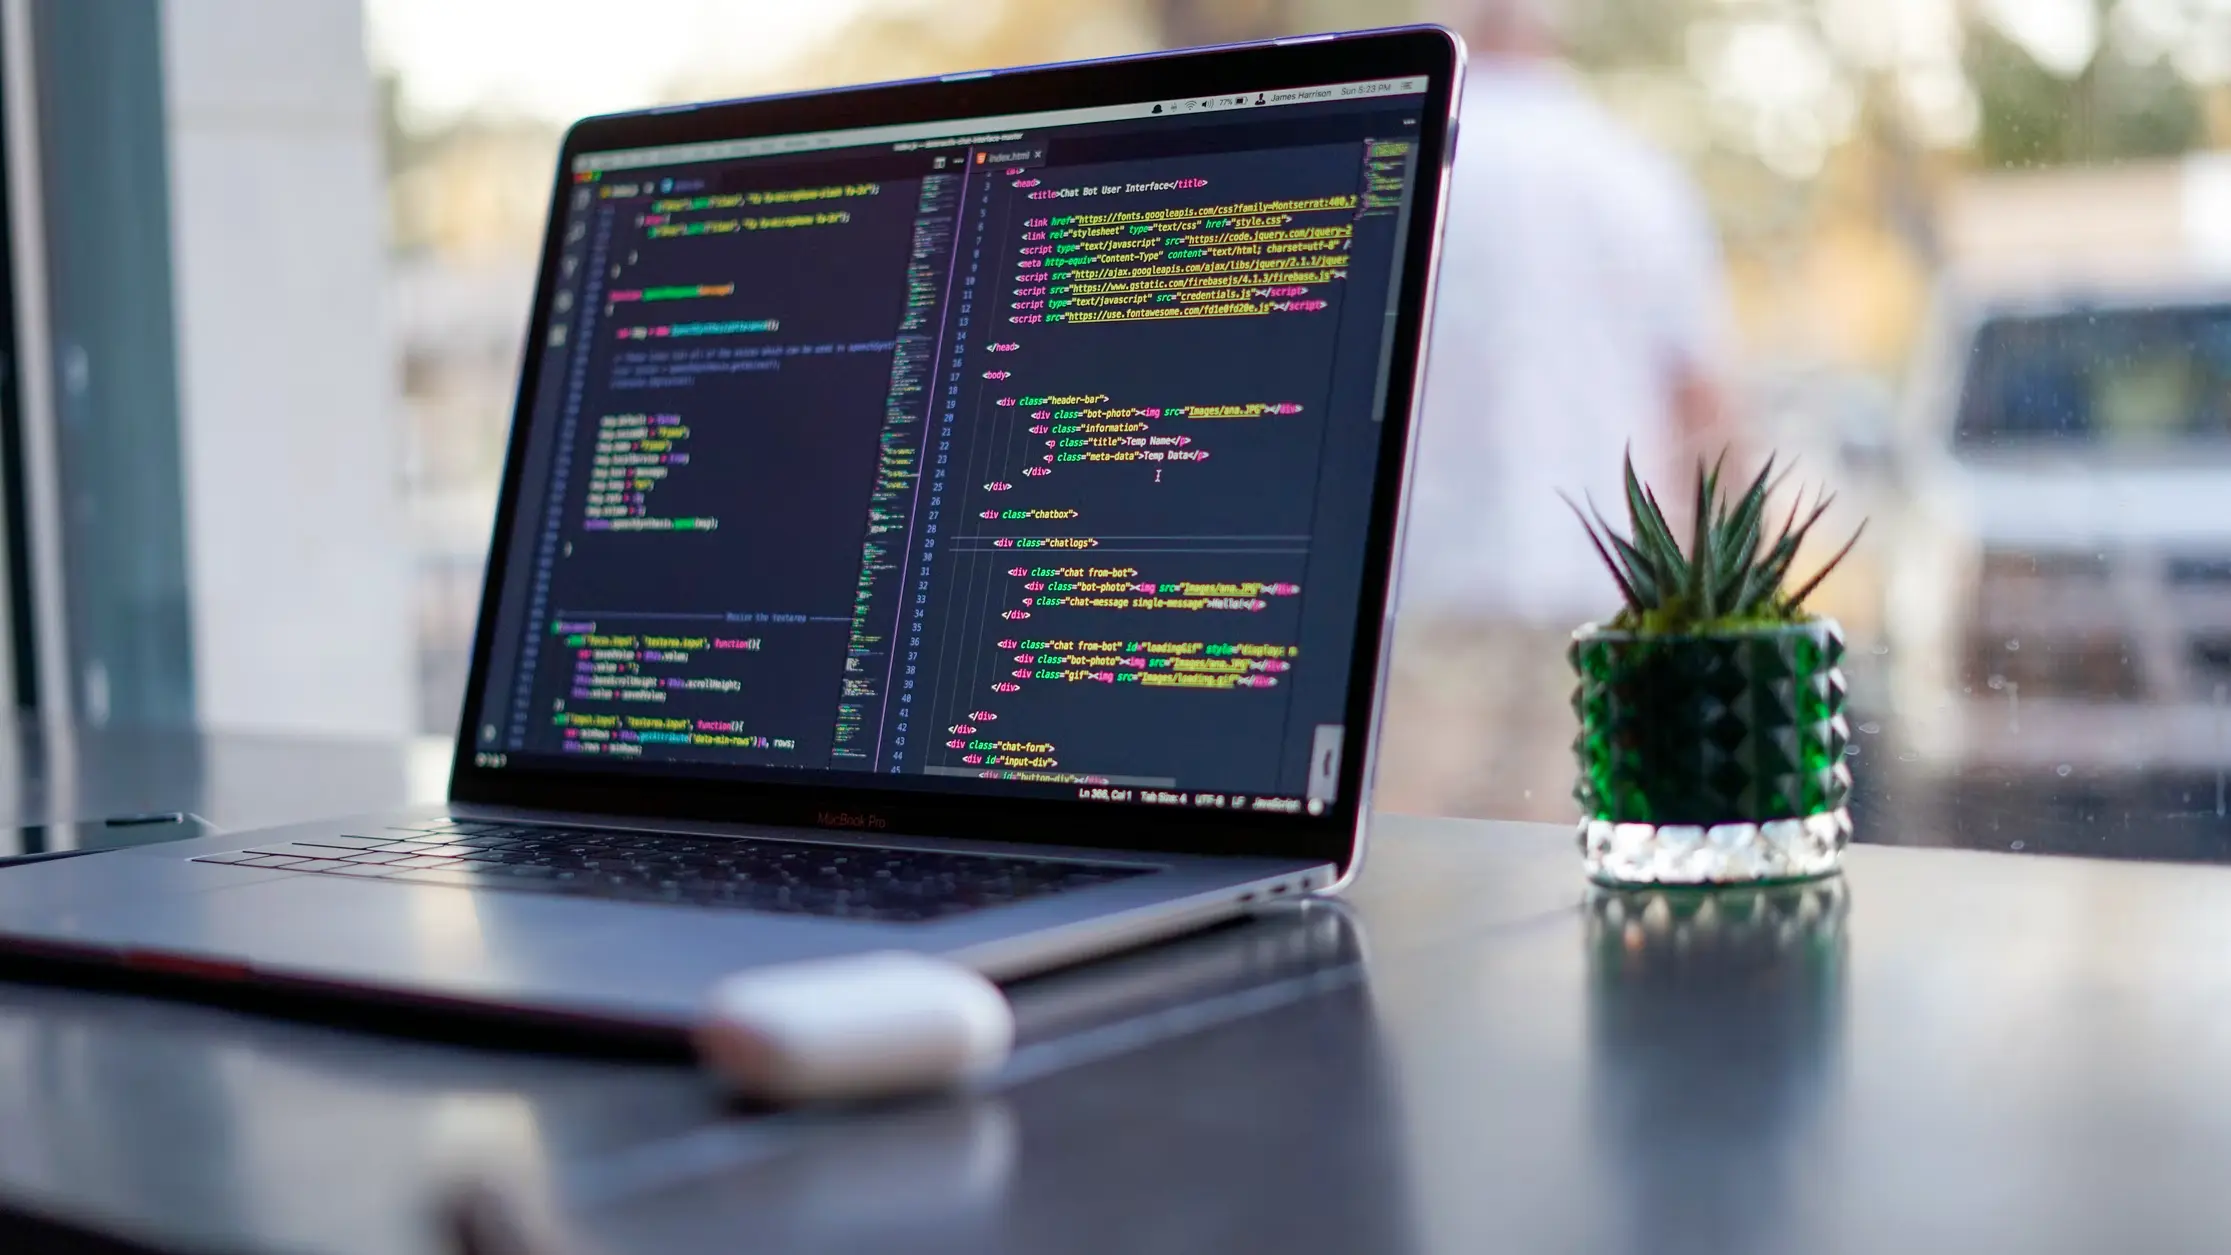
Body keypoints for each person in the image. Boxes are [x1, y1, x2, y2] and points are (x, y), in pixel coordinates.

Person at [1376, 0, 1736, 821]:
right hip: (1603, 607)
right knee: (1567, 897)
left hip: (1426, 601)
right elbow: (1706, 414)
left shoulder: (1407, 159)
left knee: (1412, 902)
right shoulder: (1636, 175)